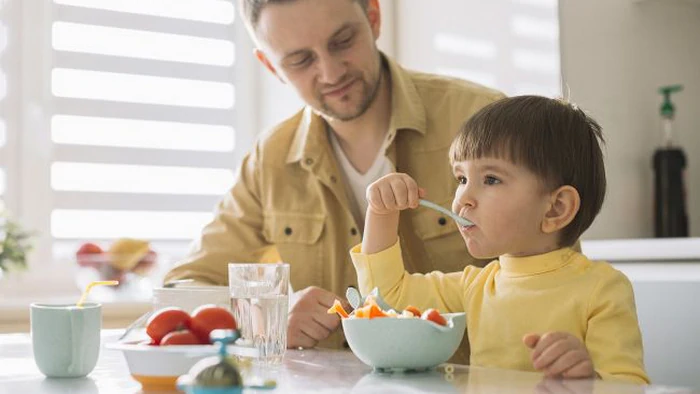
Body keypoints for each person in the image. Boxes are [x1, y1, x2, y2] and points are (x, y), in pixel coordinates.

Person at [164, 0, 506, 357]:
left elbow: (553, 266)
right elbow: (182, 290)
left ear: (373, 17)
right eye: (300, 61)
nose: (330, 73)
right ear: (270, 67)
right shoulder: (270, 160)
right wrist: (264, 317)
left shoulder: (480, 120)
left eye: (342, 41)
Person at [351, 96, 650, 384]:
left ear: (556, 208)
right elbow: (385, 297)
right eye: (461, 179)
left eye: (491, 179)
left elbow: (628, 385)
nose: (462, 199)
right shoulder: (475, 286)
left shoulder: (602, 290)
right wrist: (381, 213)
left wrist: (586, 379)